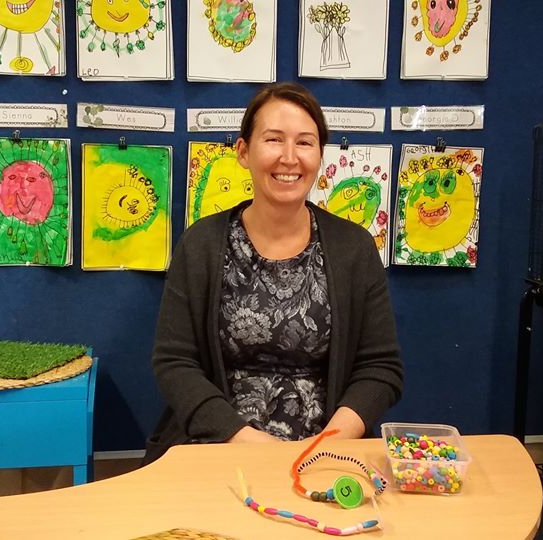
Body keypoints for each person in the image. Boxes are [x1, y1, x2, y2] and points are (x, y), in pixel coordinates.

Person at [143, 82, 403, 464]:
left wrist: (326, 445)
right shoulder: (201, 245)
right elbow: (175, 363)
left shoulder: (354, 248)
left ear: (319, 155)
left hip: (325, 452)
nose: (289, 157)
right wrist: (243, 441)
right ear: (244, 151)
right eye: (273, 140)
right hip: (219, 447)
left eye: (304, 142)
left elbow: (381, 369)